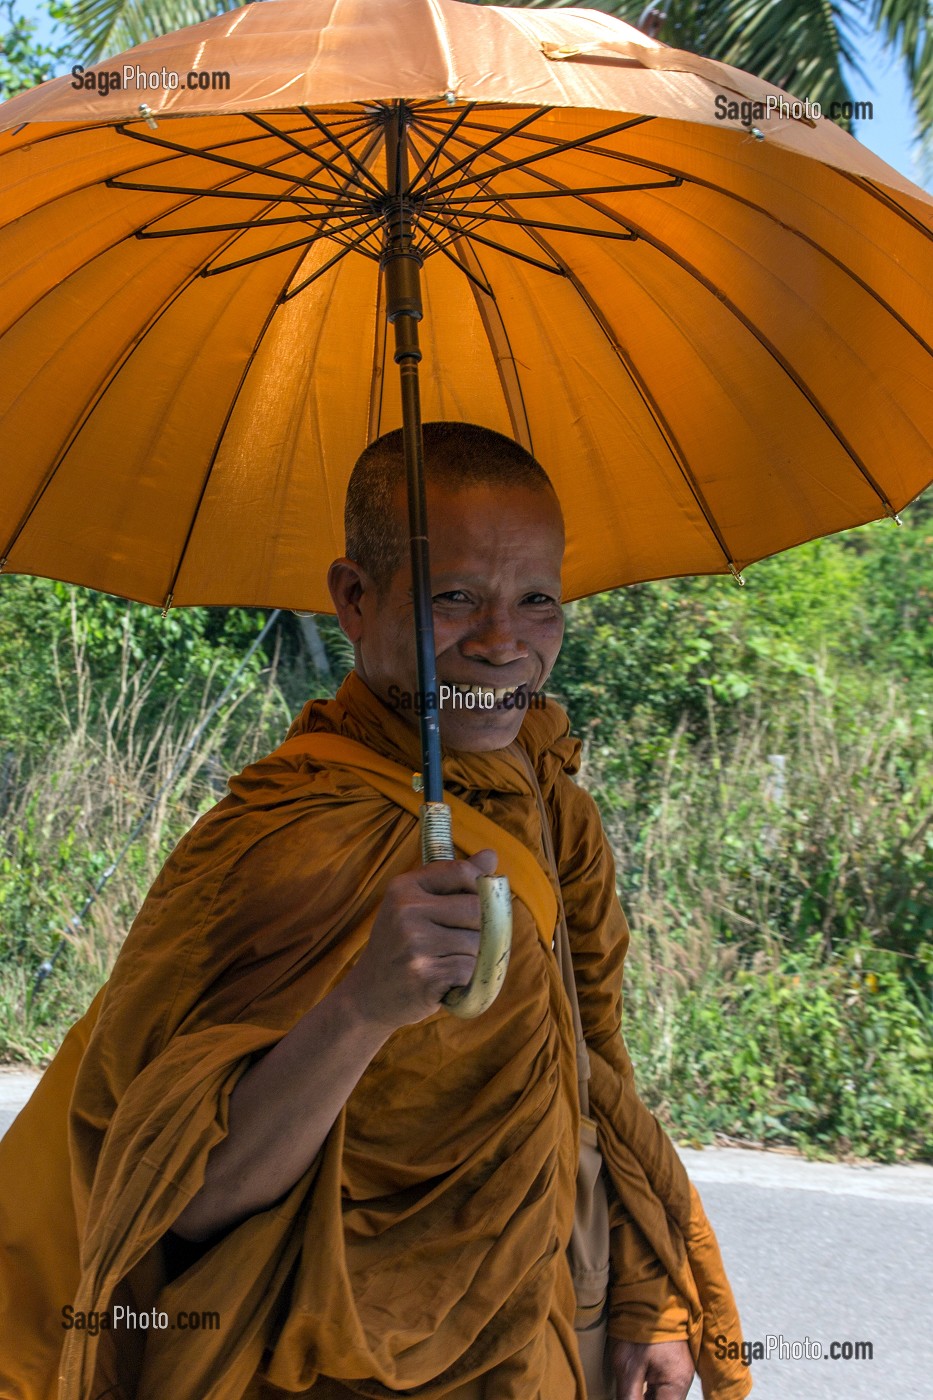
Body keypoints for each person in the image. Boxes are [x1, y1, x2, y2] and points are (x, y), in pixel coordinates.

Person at [0, 423, 751, 1400]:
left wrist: (651, 1297)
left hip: (554, 1328)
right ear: (353, 598)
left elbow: (592, 1067)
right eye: (454, 596)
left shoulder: (546, 795)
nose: (502, 640)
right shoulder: (284, 839)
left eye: (537, 599)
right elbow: (183, 1200)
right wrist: (362, 1006)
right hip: (338, 1361)